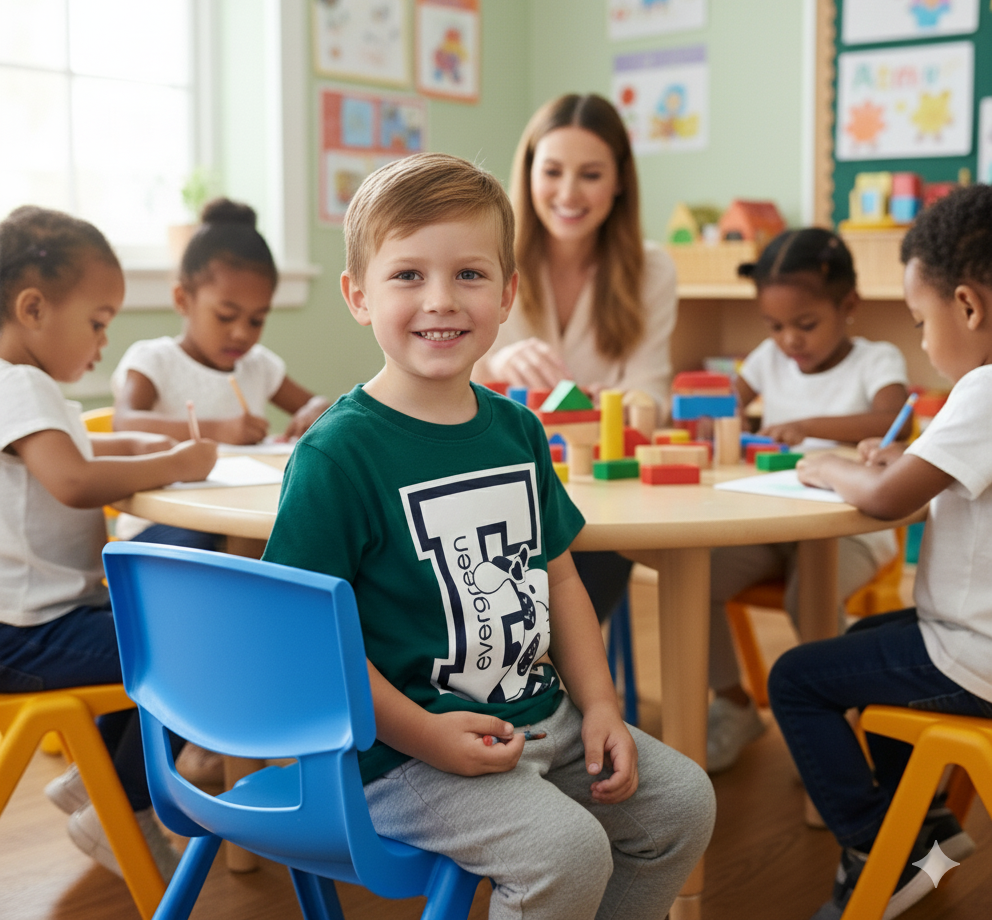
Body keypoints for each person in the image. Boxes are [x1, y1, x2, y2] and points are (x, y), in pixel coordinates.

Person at [263, 153, 715, 920]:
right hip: (398, 754)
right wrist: (425, 734)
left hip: (543, 719)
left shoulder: (518, 431)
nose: (441, 300)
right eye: (407, 275)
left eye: (469, 274)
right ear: (357, 296)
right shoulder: (338, 454)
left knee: (684, 807)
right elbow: (304, 640)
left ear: (508, 295)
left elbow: (561, 578)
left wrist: (600, 704)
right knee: (566, 853)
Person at [769, 184, 992, 919]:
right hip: (967, 642)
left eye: (921, 318)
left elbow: (890, 500)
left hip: (973, 654)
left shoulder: (983, 389)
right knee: (864, 641)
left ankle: (878, 847)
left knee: (798, 678)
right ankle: (923, 825)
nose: (923, 340)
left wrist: (825, 464)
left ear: (968, 306)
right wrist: (900, 454)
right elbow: (927, 479)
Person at [0, 206, 217, 878]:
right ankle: (121, 807)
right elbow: (70, 477)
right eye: (97, 322)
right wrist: (176, 465)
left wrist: (149, 443)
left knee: (171, 594)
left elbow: (85, 444)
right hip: (30, 636)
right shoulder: (18, 382)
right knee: (198, 648)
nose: (102, 342)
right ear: (33, 308)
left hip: (39, 624)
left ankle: (94, 781)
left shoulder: (25, 388)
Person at [707, 229, 909, 774]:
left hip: (853, 530)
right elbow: (722, 401)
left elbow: (896, 420)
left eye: (805, 324)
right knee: (695, 577)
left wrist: (808, 426)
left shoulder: (875, 359)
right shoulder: (768, 359)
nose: (789, 341)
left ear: (848, 306)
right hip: (773, 524)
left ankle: (833, 726)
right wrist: (704, 412)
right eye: (774, 326)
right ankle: (733, 704)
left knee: (808, 599)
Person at [474, 94, 678, 620]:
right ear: (528, 173)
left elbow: (651, 395)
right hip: (495, 480)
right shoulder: (486, 258)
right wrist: (494, 361)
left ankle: (563, 692)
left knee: (576, 582)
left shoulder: (652, 271)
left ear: (619, 182)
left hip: (595, 494)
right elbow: (439, 378)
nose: (568, 193)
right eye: (553, 171)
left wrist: (605, 409)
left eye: (590, 174)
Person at [111, 197, 330, 547]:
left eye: (257, 319)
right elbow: (124, 422)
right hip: (162, 524)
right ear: (183, 299)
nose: (242, 333)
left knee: (303, 535)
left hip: (239, 515)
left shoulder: (258, 365)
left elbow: (323, 407)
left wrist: (316, 410)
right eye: (226, 316)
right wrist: (219, 430)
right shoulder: (154, 360)